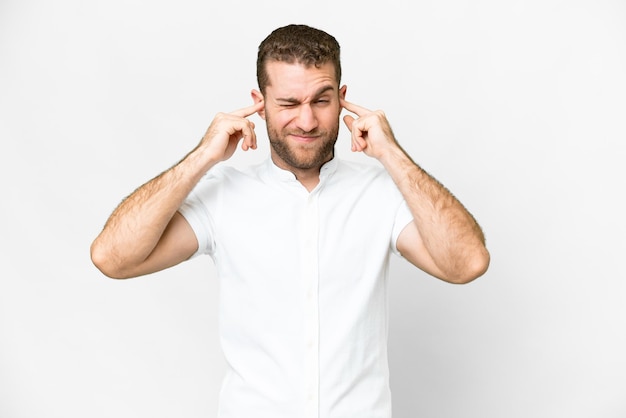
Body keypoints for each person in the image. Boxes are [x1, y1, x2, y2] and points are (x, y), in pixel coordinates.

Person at [91, 24, 489, 418]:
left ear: (342, 99)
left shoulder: (381, 193)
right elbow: (113, 258)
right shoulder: (223, 195)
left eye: (321, 100)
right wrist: (202, 157)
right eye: (288, 104)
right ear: (259, 103)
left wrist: (392, 155)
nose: (307, 121)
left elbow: (467, 263)